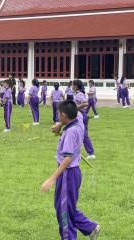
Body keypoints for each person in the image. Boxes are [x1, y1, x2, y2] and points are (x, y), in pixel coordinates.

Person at [41, 100, 101, 240]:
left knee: (64, 212)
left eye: (58, 115)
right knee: (63, 207)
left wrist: (52, 178)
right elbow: (77, 111)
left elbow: (67, 159)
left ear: (63, 114)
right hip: (72, 173)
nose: (57, 116)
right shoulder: (78, 120)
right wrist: (59, 125)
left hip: (68, 173)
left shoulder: (70, 132)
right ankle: (90, 228)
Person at [73, 80, 96, 159]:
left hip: (82, 116)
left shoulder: (79, 94)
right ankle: (70, 152)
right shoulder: (77, 94)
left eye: (73, 85)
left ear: (76, 86)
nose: (72, 87)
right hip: (78, 116)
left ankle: (91, 153)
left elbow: (85, 103)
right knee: (75, 134)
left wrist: (75, 107)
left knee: (84, 135)